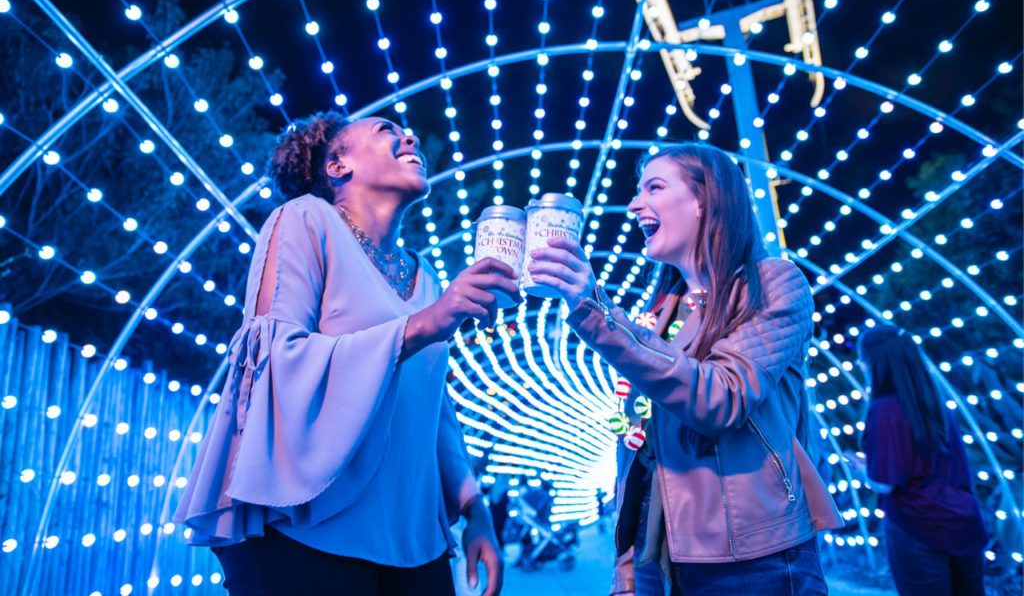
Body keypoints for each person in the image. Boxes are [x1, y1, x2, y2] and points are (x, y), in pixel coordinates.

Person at [174, 112, 513, 595]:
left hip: (415, 543)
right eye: (386, 132)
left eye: (408, 130)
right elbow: (275, 363)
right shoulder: (304, 220)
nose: (410, 135)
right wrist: (424, 324)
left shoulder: (430, 280)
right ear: (337, 166)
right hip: (309, 526)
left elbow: (433, 412)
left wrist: (475, 511)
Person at [527, 142, 842, 595]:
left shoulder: (773, 283)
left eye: (654, 187)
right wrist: (629, 564)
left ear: (704, 200)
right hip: (661, 556)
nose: (635, 204)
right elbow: (639, 452)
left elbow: (721, 399)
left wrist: (596, 311)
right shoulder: (658, 315)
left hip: (751, 560)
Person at [853, 325, 988, 596]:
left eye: (862, 359)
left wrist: (859, 468)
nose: (860, 366)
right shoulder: (936, 402)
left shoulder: (885, 410)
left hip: (917, 526)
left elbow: (885, 483)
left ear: (875, 363)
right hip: (962, 520)